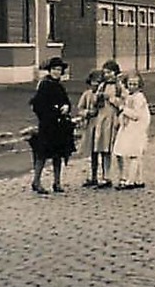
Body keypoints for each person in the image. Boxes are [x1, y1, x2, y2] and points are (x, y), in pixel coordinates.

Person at [28, 58, 76, 195]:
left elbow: (66, 100)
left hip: (60, 126)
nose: (56, 72)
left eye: (59, 70)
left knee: (58, 154)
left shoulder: (59, 86)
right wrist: (54, 111)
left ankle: (57, 182)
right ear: (49, 70)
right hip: (47, 125)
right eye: (54, 69)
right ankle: (36, 181)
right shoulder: (44, 85)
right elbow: (38, 106)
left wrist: (67, 107)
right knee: (42, 154)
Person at [110, 73, 152, 189]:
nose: (132, 86)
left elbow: (136, 115)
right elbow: (123, 93)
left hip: (136, 128)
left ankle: (131, 181)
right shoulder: (130, 96)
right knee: (122, 151)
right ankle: (137, 179)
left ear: (139, 85)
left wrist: (122, 108)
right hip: (128, 127)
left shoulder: (139, 98)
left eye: (135, 84)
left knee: (134, 154)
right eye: (130, 84)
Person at [89, 60, 124, 188]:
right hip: (102, 119)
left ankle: (122, 176)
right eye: (105, 72)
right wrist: (98, 96)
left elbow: (123, 103)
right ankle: (106, 176)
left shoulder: (119, 86)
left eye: (109, 72)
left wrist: (112, 99)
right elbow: (94, 101)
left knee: (119, 149)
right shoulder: (102, 86)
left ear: (116, 72)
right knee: (104, 149)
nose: (107, 75)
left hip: (114, 119)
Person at [74, 70, 105, 184]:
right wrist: (87, 112)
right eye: (93, 82)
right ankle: (93, 176)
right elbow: (80, 109)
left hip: (102, 125)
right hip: (91, 126)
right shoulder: (87, 94)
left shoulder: (104, 95)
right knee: (92, 153)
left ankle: (105, 175)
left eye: (98, 82)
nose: (95, 85)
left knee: (103, 151)